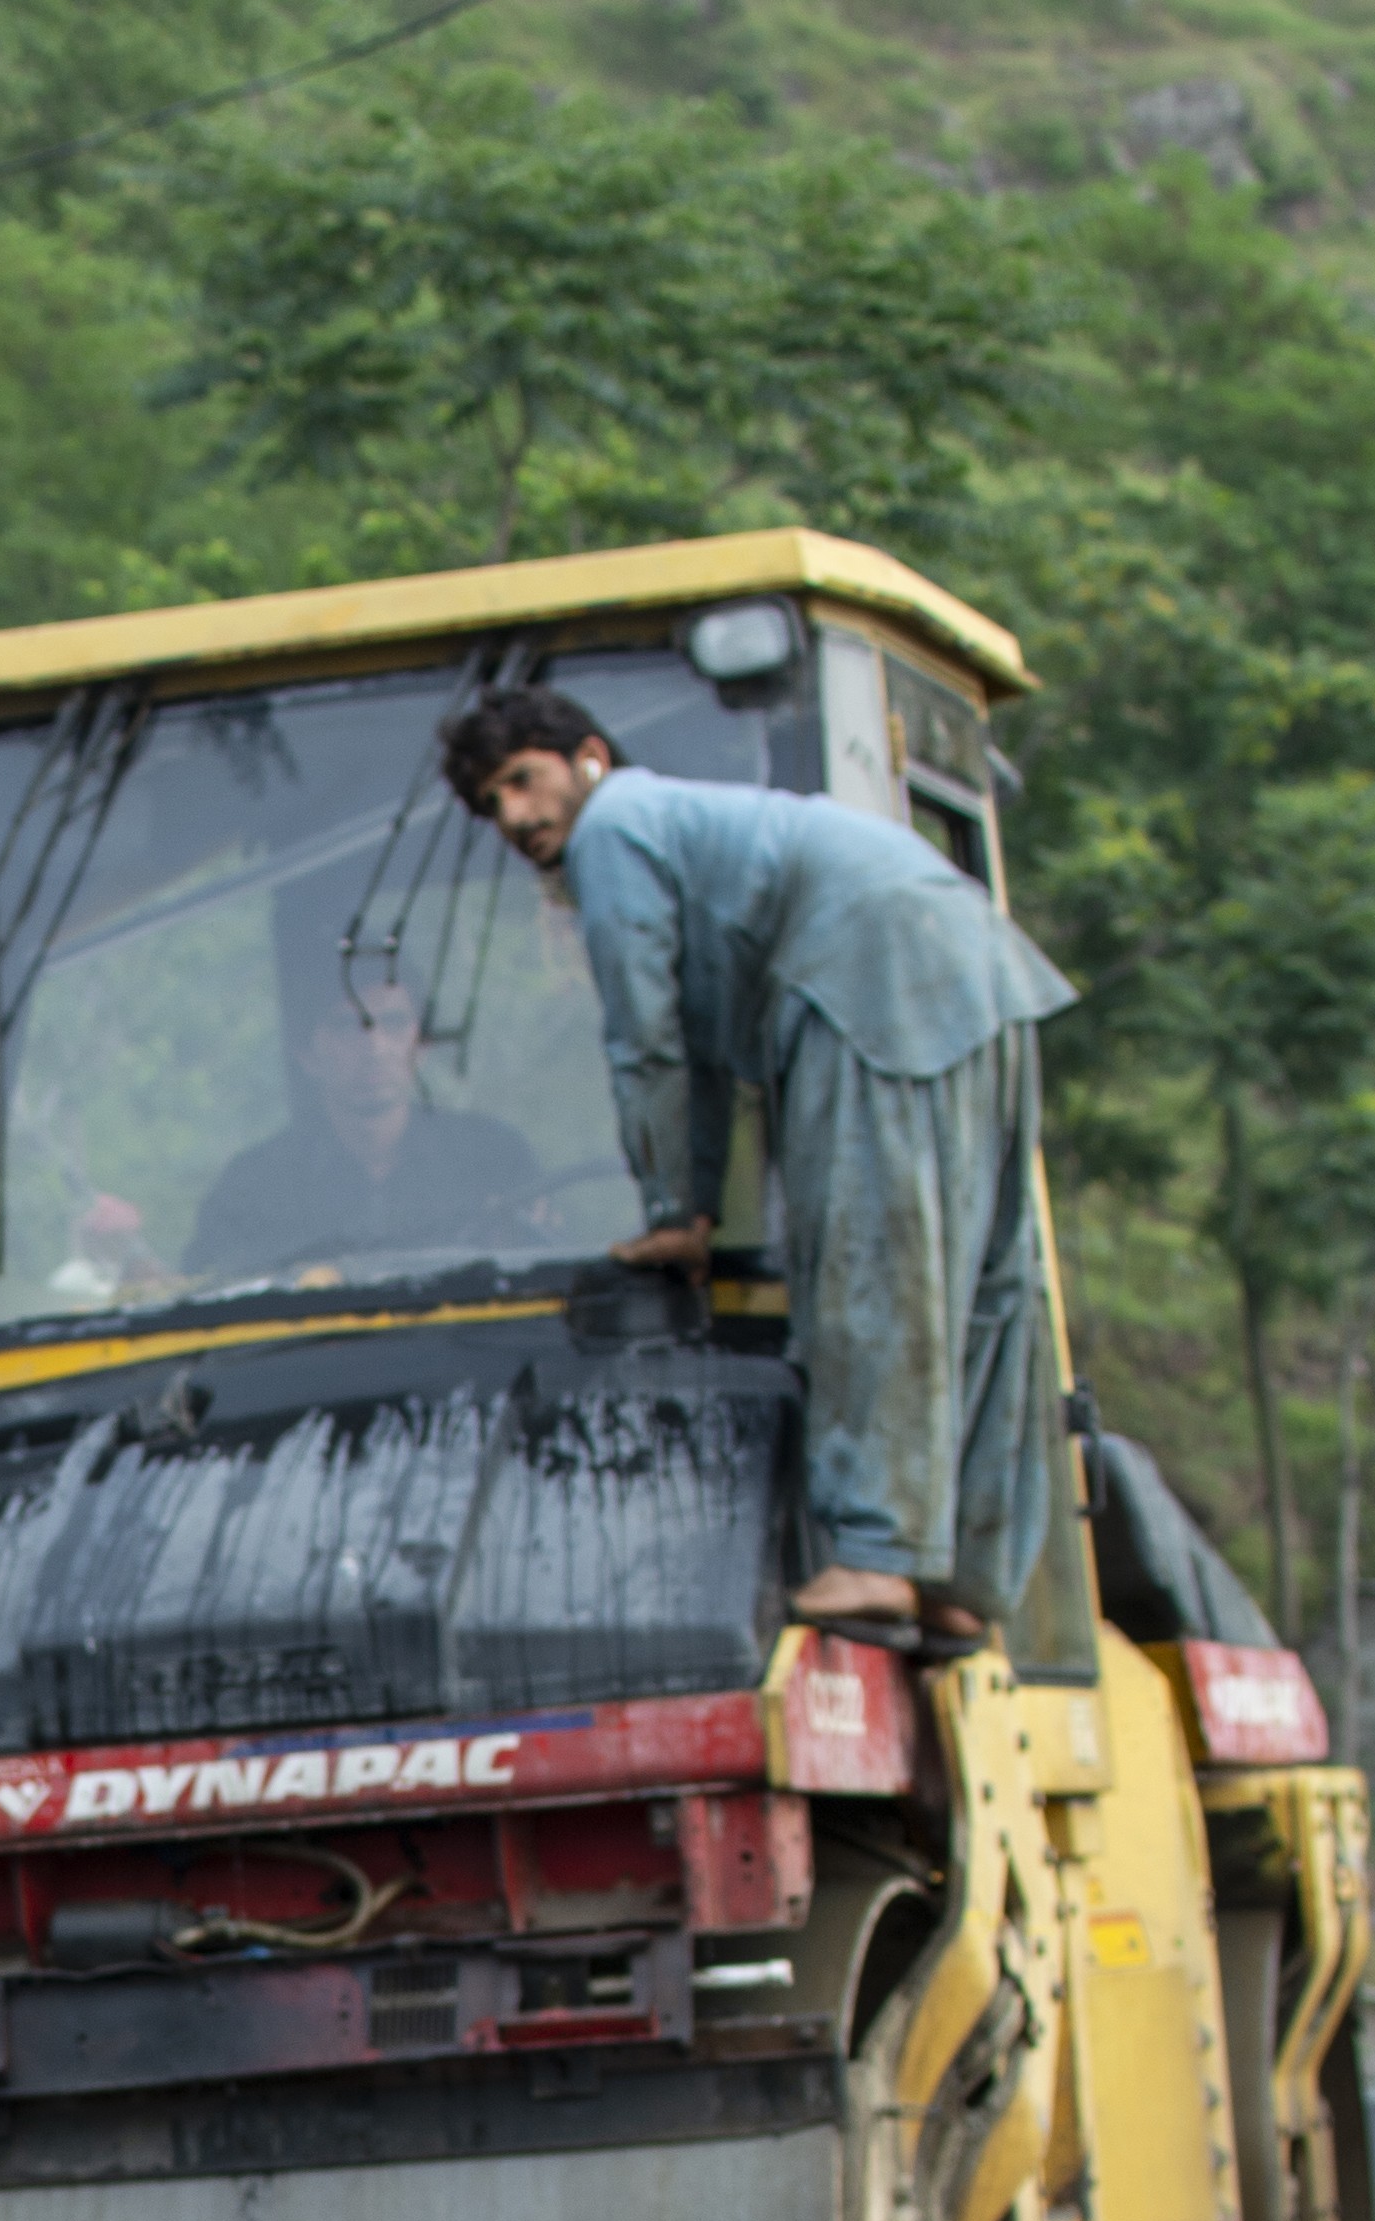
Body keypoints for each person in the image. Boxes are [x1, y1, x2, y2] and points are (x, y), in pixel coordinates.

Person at [436, 686, 1074, 1641]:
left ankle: (873, 1553)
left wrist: (669, 1205)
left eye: (525, 781)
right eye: (494, 806)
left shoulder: (617, 828)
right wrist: (687, 1206)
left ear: (588, 758)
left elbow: (645, 1041)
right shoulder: (691, 828)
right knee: (982, 1277)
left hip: (865, 968)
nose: (519, 818)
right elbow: (693, 1047)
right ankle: (965, 1577)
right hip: (974, 966)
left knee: (866, 1257)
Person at [178, 883, 539, 1280]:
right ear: (306, 1054)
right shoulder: (253, 1189)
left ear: (422, 1044)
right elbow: (207, 1298)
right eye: (346, 1026)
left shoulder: (492, 1158)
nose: (375, 1047)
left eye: (394, 1023)